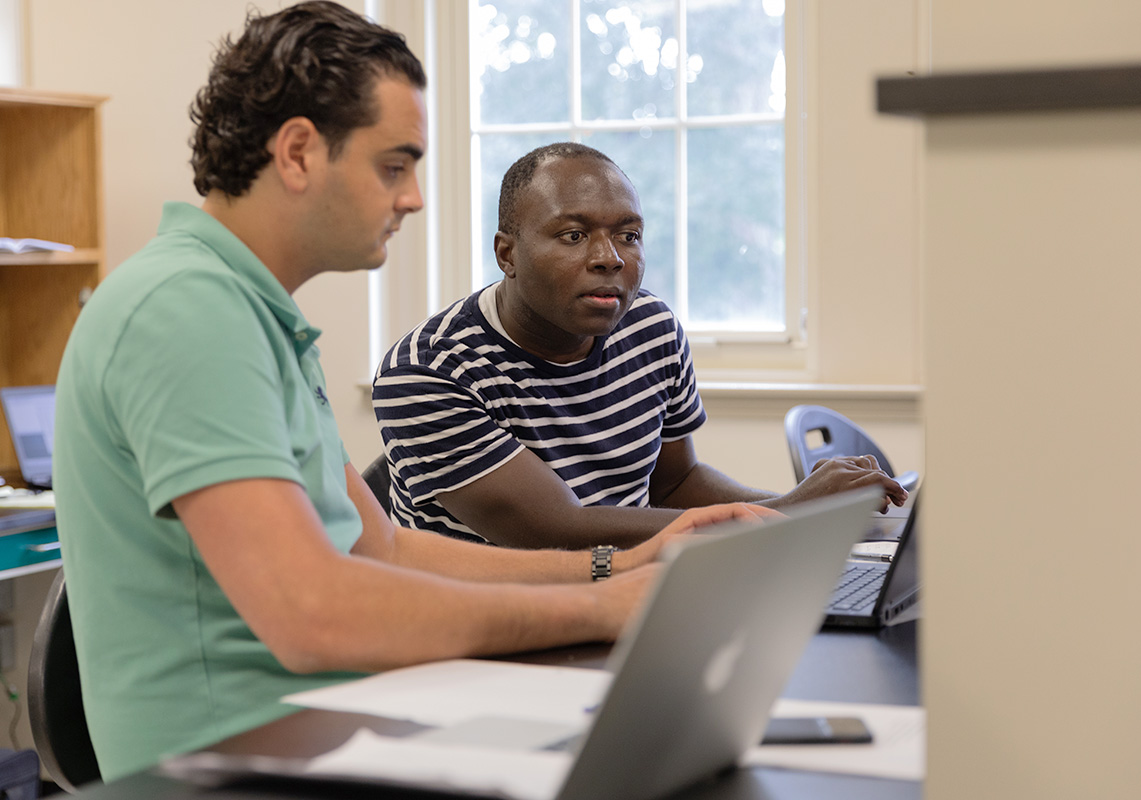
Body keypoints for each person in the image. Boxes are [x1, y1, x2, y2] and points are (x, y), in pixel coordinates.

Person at [52, 3, 765, 781]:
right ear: (297, 153)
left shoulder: (250, 310)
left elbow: (384, 548)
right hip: (234, 768)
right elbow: (311, 612)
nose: (413, 197)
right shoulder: (185, 311)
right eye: (393, 166)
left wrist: (617, 567)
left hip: (335, 731)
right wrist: (600, 608)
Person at [373, 142, 908, 549]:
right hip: (489, 637)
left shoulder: (649, 325)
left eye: (629, 235)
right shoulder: (425, 372)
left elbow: (675, 483)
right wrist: (789, 513)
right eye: (573, 235)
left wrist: (817, 509)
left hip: (634, 593)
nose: (611, 258)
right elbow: (558, 531)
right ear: (507, 254)